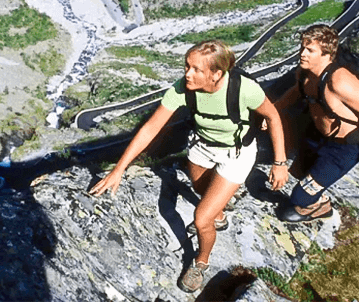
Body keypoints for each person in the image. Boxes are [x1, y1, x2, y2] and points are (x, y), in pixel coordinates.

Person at [89, 39, 289, 293]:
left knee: (200, 217)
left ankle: (201, 262)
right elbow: (151, 127)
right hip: (202, 145)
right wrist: (119, 169)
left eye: (196, 69)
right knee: (199, 188)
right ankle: (218, 213)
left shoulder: (244, 89)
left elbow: (272, 116)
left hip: (236, 153)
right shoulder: (183, 88)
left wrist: (279, 162)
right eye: (186, 66)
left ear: (216, 74)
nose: (187, 74)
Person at [272, 24, 359, 223]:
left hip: (343, 149)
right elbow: (296, 91)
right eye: (302, 48)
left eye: (310, 50)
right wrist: (273, 111)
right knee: (297, 173)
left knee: (299, 199)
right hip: (317, 137)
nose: (302, 54)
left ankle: (322, 206)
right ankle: (316, 187)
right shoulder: (305, 73)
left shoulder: (339, 81)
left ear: (326, 54)